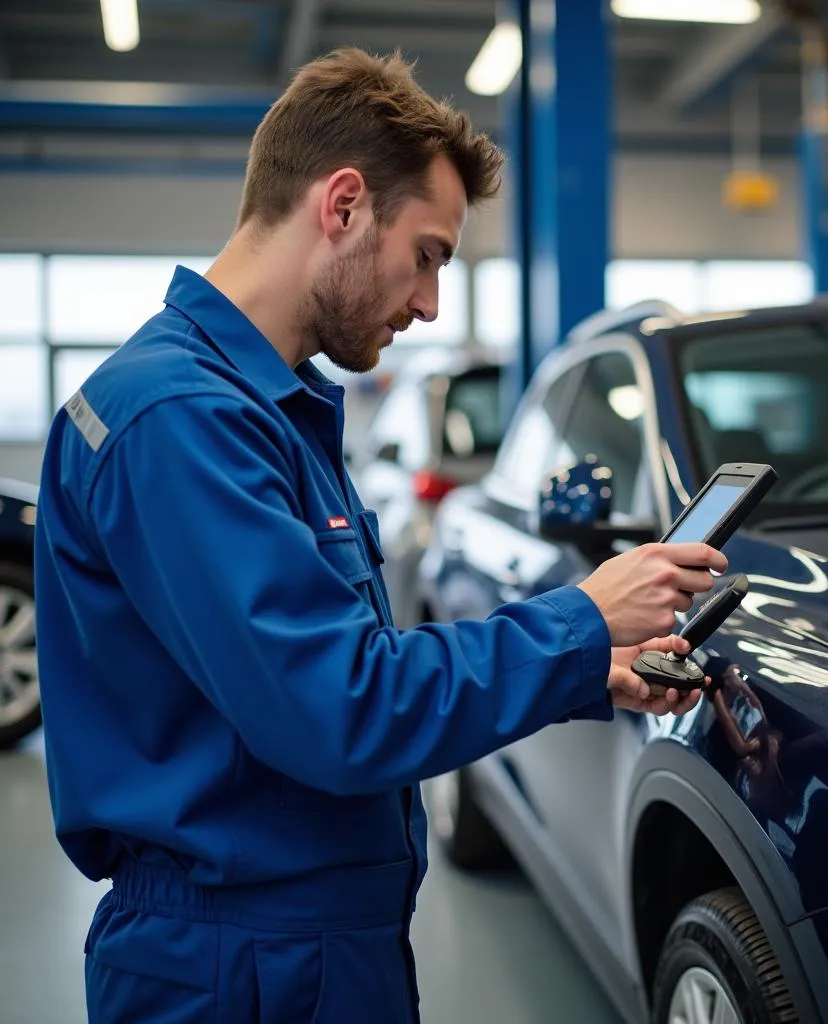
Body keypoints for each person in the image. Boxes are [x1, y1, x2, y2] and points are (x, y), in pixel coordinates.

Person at [34, 48, 728, 1024]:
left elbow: (348, 665)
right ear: (344, 205)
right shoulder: (180, 421)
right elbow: (341, 708)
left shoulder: (263, 413)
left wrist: (585, 666)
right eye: (429, 255)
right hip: (240, 967)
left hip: (297, 944)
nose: (430, 302)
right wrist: (578, 618)